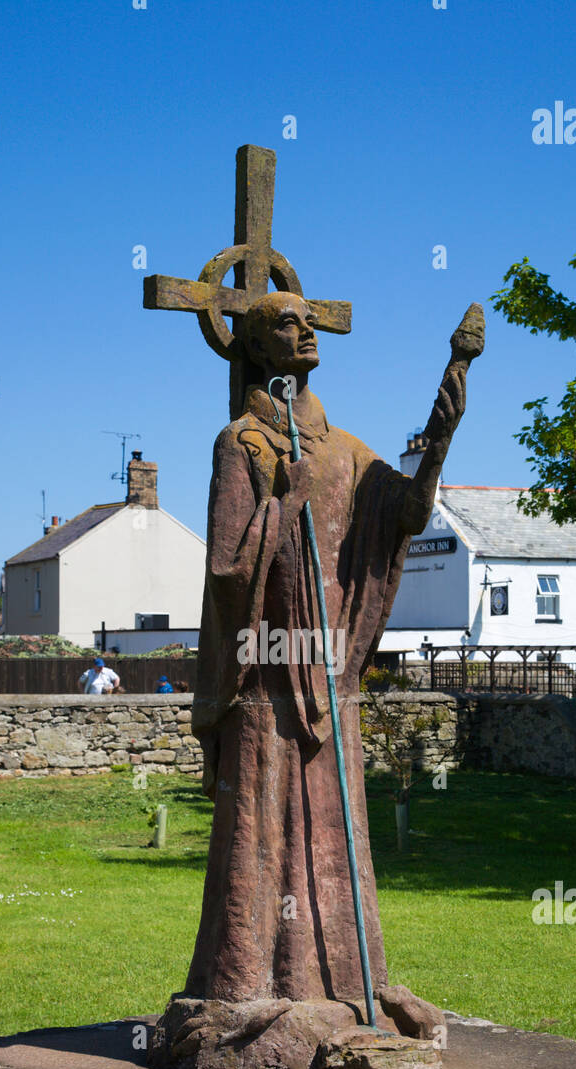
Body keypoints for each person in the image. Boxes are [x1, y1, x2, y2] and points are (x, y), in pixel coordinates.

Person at [186, 290, 481, 1007]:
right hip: (264, 678)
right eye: (288, 324)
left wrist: (441, 436)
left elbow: (404, 512)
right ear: (257, 346)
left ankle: (350, 987)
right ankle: (247, 988)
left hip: (327, 674)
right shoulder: (243, 444)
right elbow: (227, 567)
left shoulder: (347, 449)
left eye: (310, 322)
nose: (306, 331)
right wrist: (283, 503)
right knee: (261, 836)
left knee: (333, 836)